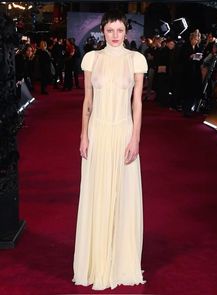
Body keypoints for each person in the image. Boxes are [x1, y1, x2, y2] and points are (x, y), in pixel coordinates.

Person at [72, 9, 148, 290]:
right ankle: (95, 261)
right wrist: (83, 134)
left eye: (119, 31)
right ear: (102, 32)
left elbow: (137, 103)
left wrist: (135, 138)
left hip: (123, 132)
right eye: (109, 31)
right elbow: (87, 101)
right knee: (97, 193)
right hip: (98, 133)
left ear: (126, 32)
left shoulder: (136, 59)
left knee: (122, 194)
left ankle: (120, 260)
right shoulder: (92, 58)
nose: (115, 36)